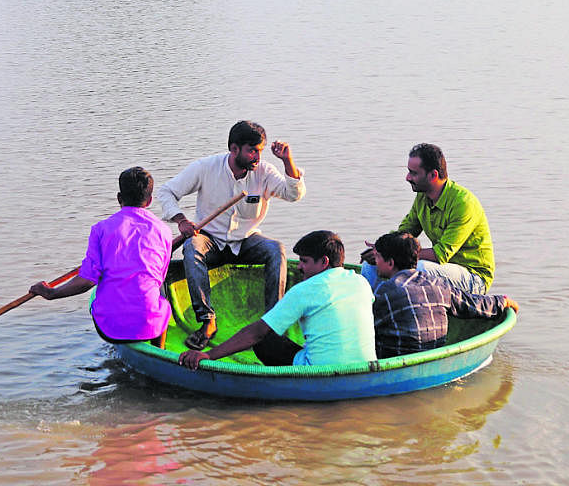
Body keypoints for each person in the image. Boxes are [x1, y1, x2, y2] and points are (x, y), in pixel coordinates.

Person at [156, 120, 305, 350]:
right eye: (252, 151)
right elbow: (167, 192)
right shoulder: (206, 167)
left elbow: (293, 194)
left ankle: (272, 323)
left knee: (276, 250)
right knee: (192, 247)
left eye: (260, 151)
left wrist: (287, 160)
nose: (257, 156)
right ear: (234, 149)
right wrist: (181, 220)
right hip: (211, 241)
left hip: (247, 241)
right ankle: (208, 320)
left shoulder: (264, 171)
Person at [177, 231, 376, 369]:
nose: (299, 267)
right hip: (362, 367)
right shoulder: (361, 282)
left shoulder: (303, 290)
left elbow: (257, 333)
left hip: (318, 370)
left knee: (266, 341)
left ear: (324, 262)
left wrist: (209, 355)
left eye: (304, 262)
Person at [29, 166, 172, 343]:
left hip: (110, 328)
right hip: (150, 326)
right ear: (149, 201)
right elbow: (158, 277)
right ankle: (158, 349)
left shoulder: (101, 229)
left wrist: (52, 293)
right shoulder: (164, 231)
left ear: (119, 198)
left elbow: (87, 281)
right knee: (162, 296)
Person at [362, 143, 495, 294]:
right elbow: (404, 234)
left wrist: (392, 253)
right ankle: (374, 309)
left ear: (433, 175)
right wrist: (380, 250)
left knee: (420, 268)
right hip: (441, 270)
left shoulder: (463, 203)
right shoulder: (422, 196)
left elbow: (440, 255)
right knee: (371, 265)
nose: (407, 177)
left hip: (473, 277)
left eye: (413, 173)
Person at [368, 231, 517, 358]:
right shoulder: (439, 284)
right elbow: (475, 304)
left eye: (377, 257)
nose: (375, 262)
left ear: (390, 263)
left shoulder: (385, 291)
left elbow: (365, 327)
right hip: (433, 355)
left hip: (398, 358)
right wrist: (503, 301)